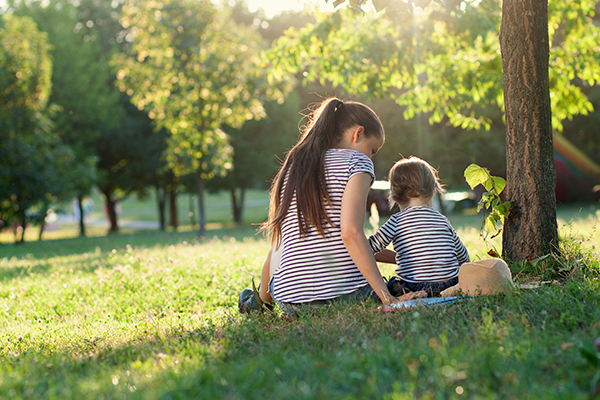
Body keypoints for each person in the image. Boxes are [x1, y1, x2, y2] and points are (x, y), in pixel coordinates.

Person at [239, 98, 426, 314]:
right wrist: (386, 296)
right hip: (349, 297)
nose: (370, 156)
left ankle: (258, 302)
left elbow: (290, 243)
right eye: (372, 149)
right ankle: (258, 301)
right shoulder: (357, 162)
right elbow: (351, 234)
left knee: (280, 244)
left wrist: (397, 258)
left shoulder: (295, 165)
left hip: (291, 302)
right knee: (399, 283)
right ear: (357, 133)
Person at [368, 156, 471, 297]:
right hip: (449, 283)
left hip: (412, 285)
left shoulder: (396, 221)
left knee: (391, 284)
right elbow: (462, 254)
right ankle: (442, 293)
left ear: (394, 197)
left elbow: (369, 247)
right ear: (433, 191)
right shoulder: (442, 219)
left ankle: (417, 295)